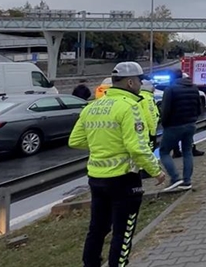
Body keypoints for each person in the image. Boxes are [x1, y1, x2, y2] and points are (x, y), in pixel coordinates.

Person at [68, 62, 166, 267]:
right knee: (123, 232)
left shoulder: (92, 107)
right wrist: (156, 171)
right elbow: (137, 147)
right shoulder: (130, 107)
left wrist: (102, 144)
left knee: (97, 228)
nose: (140, 84)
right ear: (130, 82)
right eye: (139, 80)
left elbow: (75, 140)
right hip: (124, 179)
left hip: (96, 178)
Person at [159, 69, 202, 191]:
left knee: (164, 152)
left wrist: (164, 123)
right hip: (190, 124)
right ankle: (187, 181)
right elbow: (199, 107)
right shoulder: (194, 88)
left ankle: (175, 178)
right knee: (187, 151)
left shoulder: (170, 89)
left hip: (174, 125)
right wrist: (193, 119)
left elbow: (165, 109)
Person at [139, 79, 160, 152]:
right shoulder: (147, 99)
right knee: (150, 152)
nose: (154, 88)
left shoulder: (139, 96)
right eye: (153, 85)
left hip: (141, 131)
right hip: (148, 132)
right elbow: (150, 116)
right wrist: (152, 133)